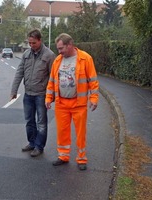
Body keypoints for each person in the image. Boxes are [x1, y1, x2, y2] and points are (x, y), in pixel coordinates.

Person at [45, 33, 99, 170]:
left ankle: (81, 159)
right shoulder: (58, 61)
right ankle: (63, 156)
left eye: (61, 48)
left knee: (80, 133)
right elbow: (51, 81)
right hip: (61, 104)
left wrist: (93, 98)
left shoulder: (85, 58)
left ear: (70, 45)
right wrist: (48, 98)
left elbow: (93, 81)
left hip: (78, 104)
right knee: (62, 132)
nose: (59, 51)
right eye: (58, 49)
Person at [10, 29, 56, 157]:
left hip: (41, 95)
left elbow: (54, 77)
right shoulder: (26, 54)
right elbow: (19, 72)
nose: (31, 46)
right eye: (29, 43)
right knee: (29, 120)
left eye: (34, 43)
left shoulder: (49, 55)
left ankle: (39, 146)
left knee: (41, 122)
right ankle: (32, 142)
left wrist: (52, 96)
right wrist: (14, 91)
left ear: (40, 40)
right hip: (28, 94)